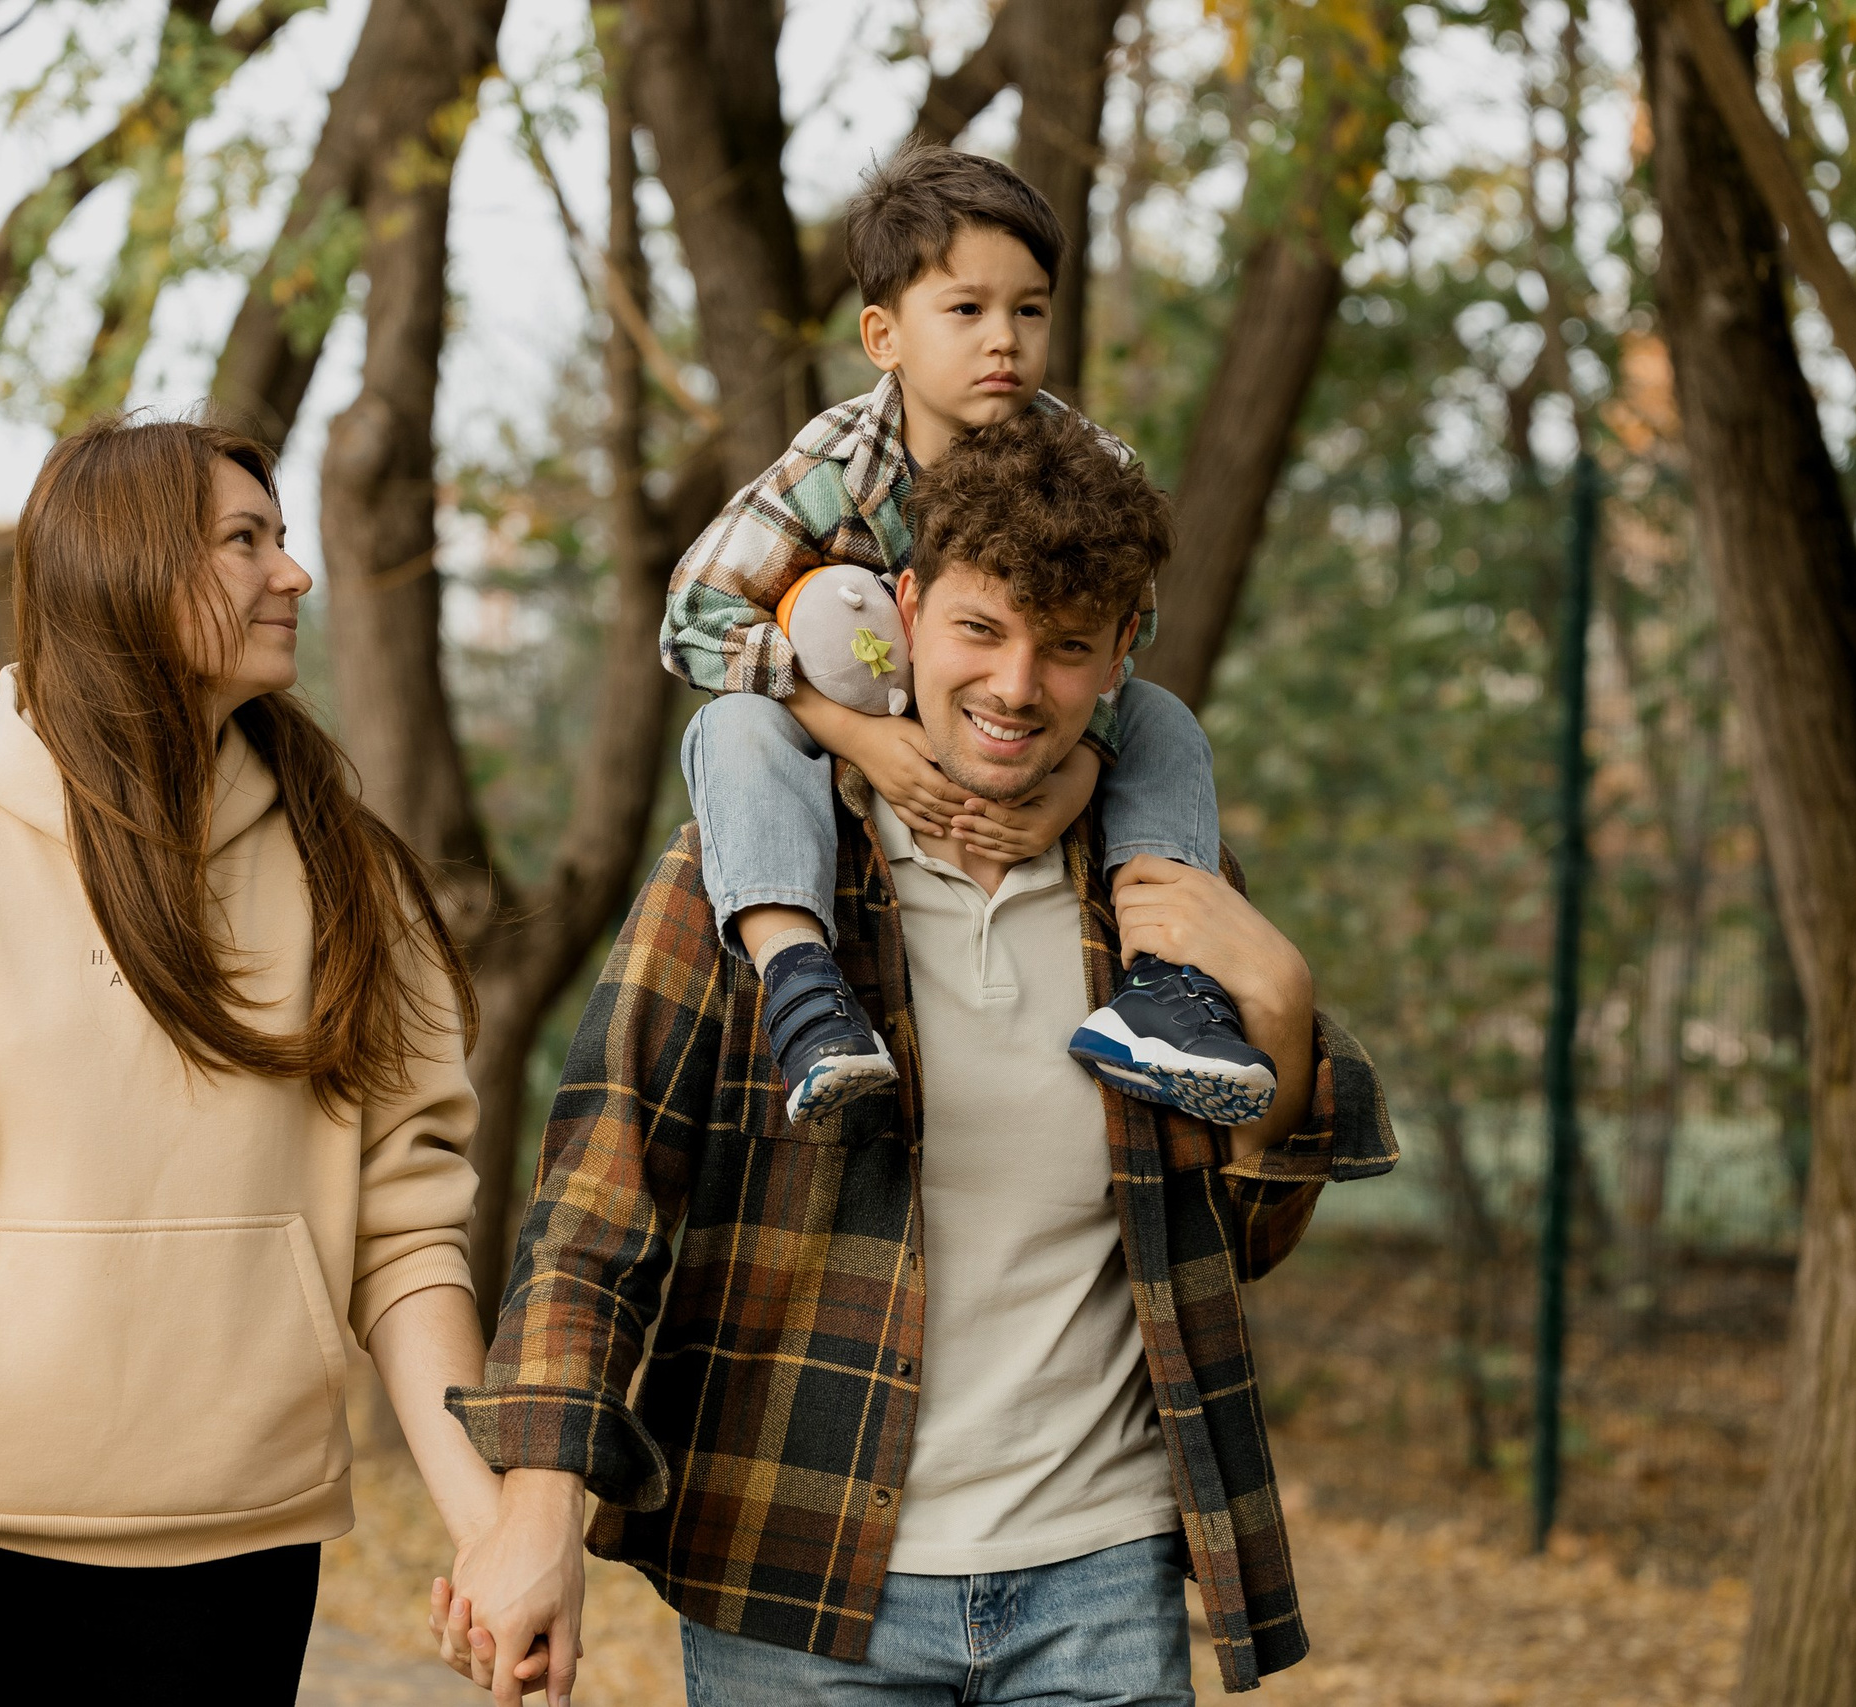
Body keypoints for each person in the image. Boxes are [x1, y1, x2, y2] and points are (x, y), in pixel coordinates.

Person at [437, 410, 1397, 1705]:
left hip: (1101, 1578)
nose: (1016, 686)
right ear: (906, 610)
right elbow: (599, 1205)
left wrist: (1279, 1016)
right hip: (798, 1578)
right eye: (980, 630)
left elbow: (1234, 1243)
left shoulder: (1160, 884)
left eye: (1067, 647)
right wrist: (537, 1506)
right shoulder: (760, 865)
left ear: (1121, 653)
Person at [0, 417, 501, 1707]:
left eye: (283, 537)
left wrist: (486, 1527)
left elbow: (406, 1228)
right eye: (245, 541)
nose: (292, 573)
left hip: (235, 1555)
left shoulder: (348, 877)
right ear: (126, 571)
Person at [663, 143, 1275, 1131]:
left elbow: (1126, 638)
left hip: (1026, 738)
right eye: (966, 310)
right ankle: (803, 984)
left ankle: (1163, 986)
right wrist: (857, 736)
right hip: (860, 723)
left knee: (1163, 721)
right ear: (883, 335)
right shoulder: (839, 465)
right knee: (732, 725)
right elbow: (695, 611)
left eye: (1029, 311)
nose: (1004, 340)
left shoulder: (1088, 466)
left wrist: (1078, 776)